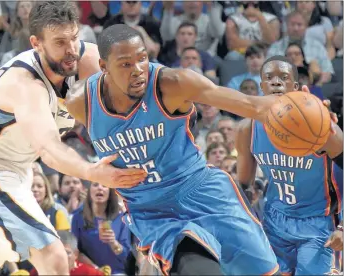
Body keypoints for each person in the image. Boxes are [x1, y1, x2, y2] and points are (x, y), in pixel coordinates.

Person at [66, 24, 282, 275]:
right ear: (104, 67)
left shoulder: (172, 84)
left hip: (202, 192)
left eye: (142, 58)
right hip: (151, 211)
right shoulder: (80, 103)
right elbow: (50, 144)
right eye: (126, 64)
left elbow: (251, 106)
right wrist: (89, 171)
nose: (138, 70)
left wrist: (301, 105)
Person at [0, 2, 147, 275]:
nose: (71, 49)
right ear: (36, 43)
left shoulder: (86, 60)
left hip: (18, 169)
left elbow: (141, 93)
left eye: (74, 37)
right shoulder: (24, 85)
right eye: (60, 42)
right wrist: (91, 171)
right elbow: (49, 150)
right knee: (54, 259)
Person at [235, 55, 343, 275]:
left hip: (319, 223)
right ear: (261, 86)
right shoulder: (247, 129)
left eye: (284, 77)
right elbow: (244, 186)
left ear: (296, 87)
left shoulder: (321, 126)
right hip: (274, 221)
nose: (276, 82)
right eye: (269, 77)